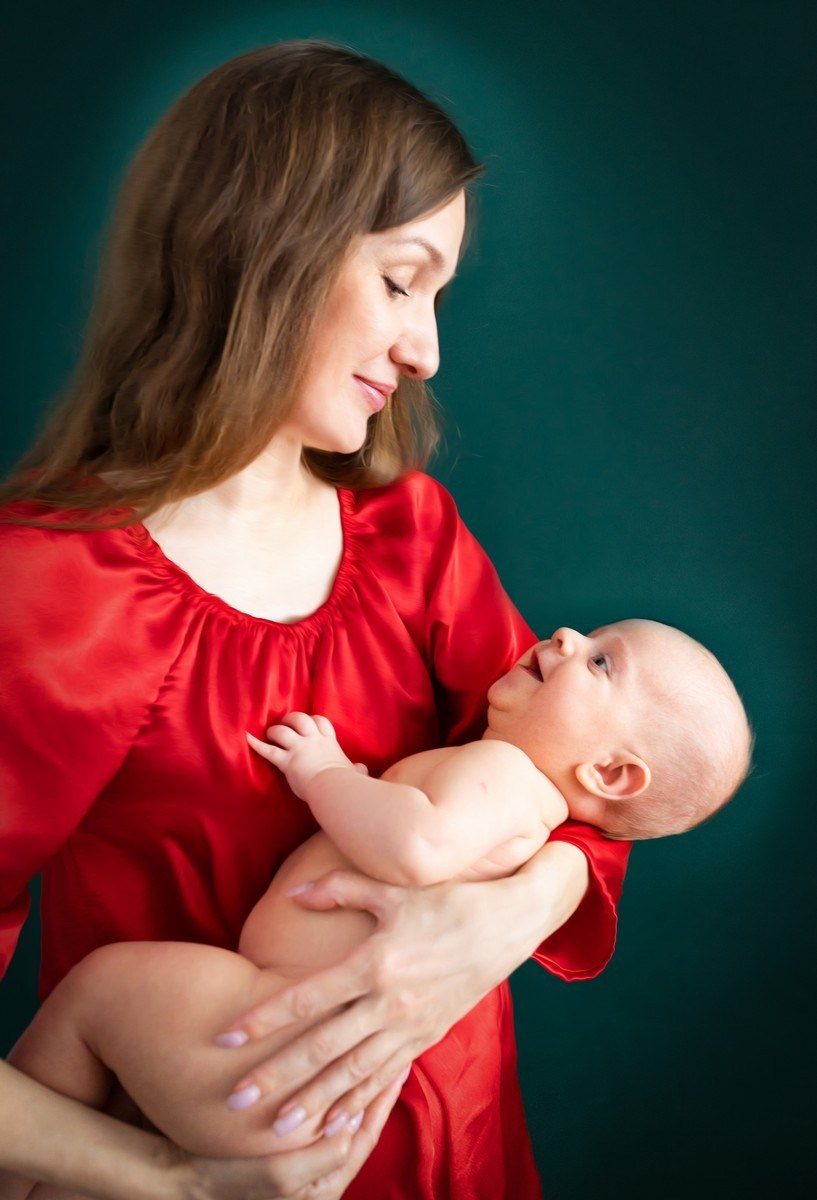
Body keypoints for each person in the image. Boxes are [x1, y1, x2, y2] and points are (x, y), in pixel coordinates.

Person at [0, 42, 630, 1200]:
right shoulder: (47, 593)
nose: (425, 349)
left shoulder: (412, 537)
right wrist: (169, 1180)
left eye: (437, 296)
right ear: (260, 247)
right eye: (401, 281)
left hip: (460, 1154)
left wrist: (502, 922)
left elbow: (591, 784)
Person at [2, 619, 750, 1191]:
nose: (565, 634)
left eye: (601, 662)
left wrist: (325, 773)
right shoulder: (526, 808)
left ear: (611, 772)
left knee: (97, 990)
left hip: (270, 1033)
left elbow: (416, 846)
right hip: (307, 1083)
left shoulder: (503, 773)